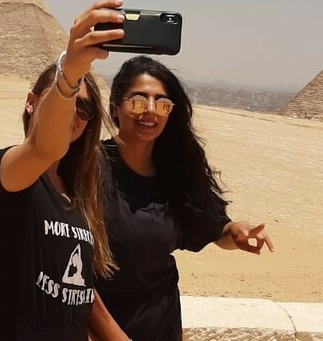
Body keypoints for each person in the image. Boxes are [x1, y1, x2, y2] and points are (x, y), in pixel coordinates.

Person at [0, 0, 131, 341]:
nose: (75, 112)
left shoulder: (77, 193)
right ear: (32, 102)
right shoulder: (10, 173)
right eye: (65, 99)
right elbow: (44, 147)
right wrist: (70, 73)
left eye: (85, 108)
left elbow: (81, 294)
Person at [94, 55, 275, 341]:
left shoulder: (175, 174)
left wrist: (235, 231)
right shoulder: (88, 170)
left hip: (160, 328)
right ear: (116, 107)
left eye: (162, 103)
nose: (150, 111)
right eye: (138, 101)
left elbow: (214, 230)